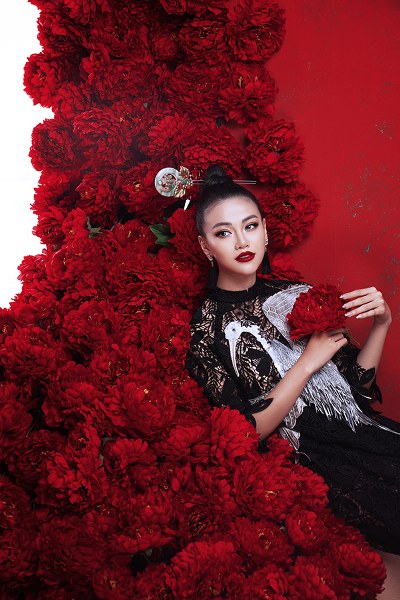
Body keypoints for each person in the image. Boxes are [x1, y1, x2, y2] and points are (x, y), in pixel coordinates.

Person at [185, 165, 400, 566]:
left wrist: (382, 324)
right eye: (223, 233)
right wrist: (305, 365)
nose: (242, 241)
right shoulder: (205, 331)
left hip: (368, 436)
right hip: (319, 467)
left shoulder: (296, 294)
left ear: (266, 231)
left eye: (250, 226)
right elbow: (247, 433)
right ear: (204, 246)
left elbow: (358, 393)